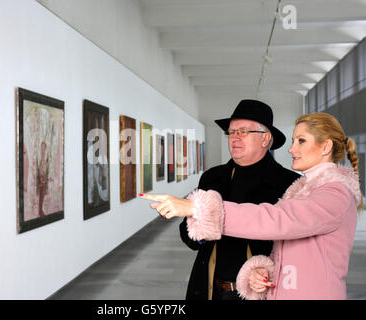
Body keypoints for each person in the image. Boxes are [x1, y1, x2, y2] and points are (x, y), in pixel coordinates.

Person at [141, 112, 364, 300]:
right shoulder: (301, 189)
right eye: (232, 132)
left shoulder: (331, 192)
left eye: (301, 141)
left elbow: (275, 220)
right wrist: (264, 270)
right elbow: (290, 250)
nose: (290, 149)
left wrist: (198, 209)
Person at [179, 99, 300, 300]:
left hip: (262, 292)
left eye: (243, 132)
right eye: (232, 132)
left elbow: (296, 248)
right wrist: (200, 231)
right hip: (212, 289)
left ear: (265, 138)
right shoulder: (212, 178)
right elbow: (188, 235)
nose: (235, 138)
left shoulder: (289, 183)